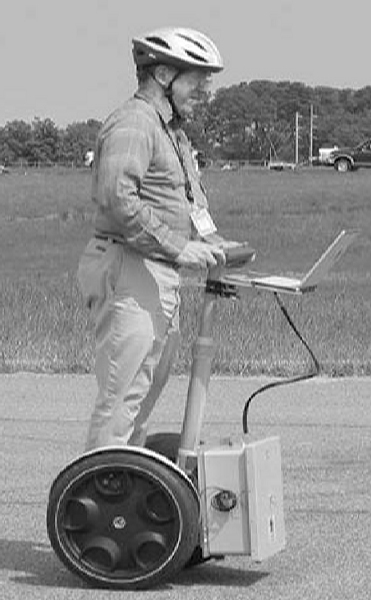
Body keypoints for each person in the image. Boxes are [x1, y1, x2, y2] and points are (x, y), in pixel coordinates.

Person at [77, 27, 228, 451]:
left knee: (140, 399)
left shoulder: (171, 132)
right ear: (163, 74)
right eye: (197, 80)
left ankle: (125, 492)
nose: (203, 91)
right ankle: (96, 507)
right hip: (129, 266)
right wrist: (180, 247)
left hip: (156, 271)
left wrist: (217, 244)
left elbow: (187, 203)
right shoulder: (134, 123)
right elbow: (116, 199)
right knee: (122, 399)